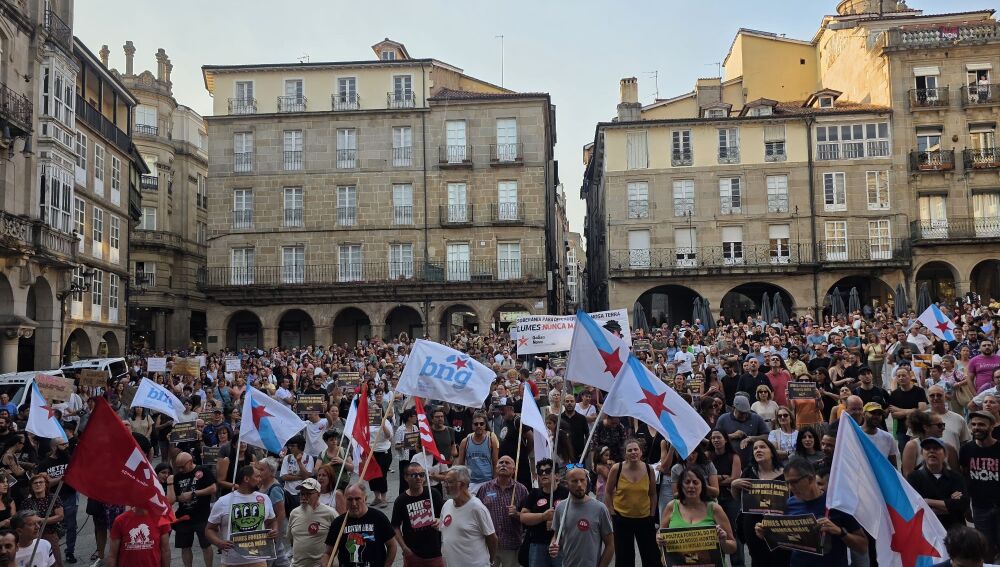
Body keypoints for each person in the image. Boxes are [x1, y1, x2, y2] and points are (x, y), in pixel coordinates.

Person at [757, 458, 868, 567]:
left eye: (794, 482)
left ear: (810, 479)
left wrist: (840, 532)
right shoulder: (790, 503)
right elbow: (790, 544)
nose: (790, 487)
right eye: (787, 483)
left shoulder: (836, 504)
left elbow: (863, 547)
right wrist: (768, 534)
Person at [731, 439, 789, 567]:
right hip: (752, 526)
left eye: (762, 447)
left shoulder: (786, 473)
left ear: (772, 452)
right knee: (758, 560)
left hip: (778, 526)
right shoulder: (749, 472)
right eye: (755, 448)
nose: (758, 450)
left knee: (781, 559)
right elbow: (739, 499)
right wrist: (734, 485)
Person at [205, 465, 277, 567]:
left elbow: (272, 521)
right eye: (257, 476)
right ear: (246, 479)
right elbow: (209, 529)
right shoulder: (223, 502)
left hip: (259, 560)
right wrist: (219, 543)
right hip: (231, 562)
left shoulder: (264, 498)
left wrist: (274, 530)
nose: (260, 479)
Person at [603, 438, 660, 567]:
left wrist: (652, 515)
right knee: (624, 557)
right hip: (622, 518)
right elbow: (607, 492)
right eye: (630, 450)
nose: (633, 452)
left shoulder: (649, 469)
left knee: (651, 556)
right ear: (625, 453)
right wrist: (612, 513)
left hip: (645, 518)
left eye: (636, 449)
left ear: (641, 452)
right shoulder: (617, 468)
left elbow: (653, 494)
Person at [661, 467, 738, 560]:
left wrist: (723, 541)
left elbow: (733, 548)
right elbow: (660, 534)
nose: (691, 486)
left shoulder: (715, 508)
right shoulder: (671, 506)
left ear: (702, 486)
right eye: (687, 482)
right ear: (681, 486)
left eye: (695, 482)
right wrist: (659, 539)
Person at [548, 466, 614, 567]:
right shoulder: (561, 508)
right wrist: (553, 544)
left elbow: (610, 545)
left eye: (582, 480)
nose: (579, 485)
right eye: (574, 481)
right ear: (566, 484)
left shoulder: (600, 508)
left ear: (587, 481)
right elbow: (557, 536)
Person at [959, 411, 1000, 562]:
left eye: (982, 424)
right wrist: (966, 506)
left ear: (992, 427)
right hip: (979, 507)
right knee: (985, 546)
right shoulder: (966, 450)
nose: (976, 427)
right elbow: (964, 477)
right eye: (974, 424)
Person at [439, 466, 498, 567]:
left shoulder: (477, 508)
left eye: (449, 482)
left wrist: (491, 561)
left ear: (462, 484)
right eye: (445, 482)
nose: (445, 486)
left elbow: (492, 539)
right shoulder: (447, 505)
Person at [475, 455, 528, 567]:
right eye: (501, 462)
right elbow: (476, 514)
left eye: (507, 463)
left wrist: (517, 514)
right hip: (489, 544)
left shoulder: (521, 489)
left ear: (514, 470)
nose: (503, 464)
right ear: (496, 467)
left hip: (511, 544)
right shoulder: (485, 488)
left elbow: (528, 517)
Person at [168, 451, 217, 567]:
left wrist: (194, 493)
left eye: (182, 466)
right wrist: (178, 496)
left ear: (190, 462)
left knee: (206, 545)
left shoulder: (203, 470)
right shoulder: (178, 476)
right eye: (178, 467)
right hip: (184, 516)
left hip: (201, 515)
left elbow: (213, 488)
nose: (180, 469)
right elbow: (173, 499)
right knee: (185, 547)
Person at [907, 437, 969, 530]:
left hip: (954, 530)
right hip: (928, 530)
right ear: (922, 454)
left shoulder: (956, 477)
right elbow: (915, 507)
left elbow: (962, 505)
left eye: (936, 448)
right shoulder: (914, 477)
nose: (931, 451)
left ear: (945, 454)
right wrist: (950, 505)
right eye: (927, 448)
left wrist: (926, 501)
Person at [391, 461, 445, 567]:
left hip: (435, 552)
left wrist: (440, 520)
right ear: (406, 477)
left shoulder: (433, 494)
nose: (419, 478)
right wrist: (404, 548)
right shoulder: (401, 501)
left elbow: (445, 515)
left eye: (421, 474)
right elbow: (395, 526)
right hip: (413, 554)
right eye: (414, 475)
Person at [519, 459, 567, 567]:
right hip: (537, 544)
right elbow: (523, 517)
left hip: (560, 545)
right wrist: (543, 516)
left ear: (557, 475)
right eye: (541, 472)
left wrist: (555, 522)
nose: (544, 474)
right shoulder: (534, 494)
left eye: (548, 471)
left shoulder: (566, 494)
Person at [287, 478, 336, 567]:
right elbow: (291, 539)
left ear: (318, 494)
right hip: (296, 564)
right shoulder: (294, 513)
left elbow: (339, 538)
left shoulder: (330, 513)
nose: (304, 497)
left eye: (308, 494)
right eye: (302, 493)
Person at [18, 474, 63, 567]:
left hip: (50, 534)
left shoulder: (53, 497)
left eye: (41, 482)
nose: (38, 484)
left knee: (55, 562)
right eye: (35, 483)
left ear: (46, 484)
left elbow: (60, 516)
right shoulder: (26, 502)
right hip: (32, 537)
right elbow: (23, 520)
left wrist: (40, 520)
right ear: (31, 486)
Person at [252, 459, 288, 567]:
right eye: (258, 469)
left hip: (272, 530)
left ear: (271, 472)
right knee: (279, 556)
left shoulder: (274, 488)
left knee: (267, 558)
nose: (259, 472)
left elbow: (281, 513)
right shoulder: (262, 485)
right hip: (266, 528)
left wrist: (275, 530)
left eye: (262, 470)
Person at [716, 394, 770, 464]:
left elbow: (767, 436)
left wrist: (751, 438)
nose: (744, 416)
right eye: (741, 413)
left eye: (746, 412)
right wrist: (732, 436)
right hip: (729, 461)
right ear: (733, 408)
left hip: (752, 461)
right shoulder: (723, 419)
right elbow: (715, 439)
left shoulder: (756, 418)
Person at [456, 414, 498, 495]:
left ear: (485, 426)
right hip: (471, 483)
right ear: (472, 426)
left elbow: (495, 463)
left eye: (481, 424)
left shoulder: (491, 441)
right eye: (476, 424)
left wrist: (495, 483)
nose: (479, 426)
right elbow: (460, 465)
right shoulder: (465, 441)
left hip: (487, 481)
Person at [278, 435, 314, 515]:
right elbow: (284, 477)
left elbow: (307, 477)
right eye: (289, 446)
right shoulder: (287, 458)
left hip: (302, 494)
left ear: (300, 446)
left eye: (293, 446)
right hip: (288, 493)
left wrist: (299, 462)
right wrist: (300, 476)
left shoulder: (309, 458)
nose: (290, 448)